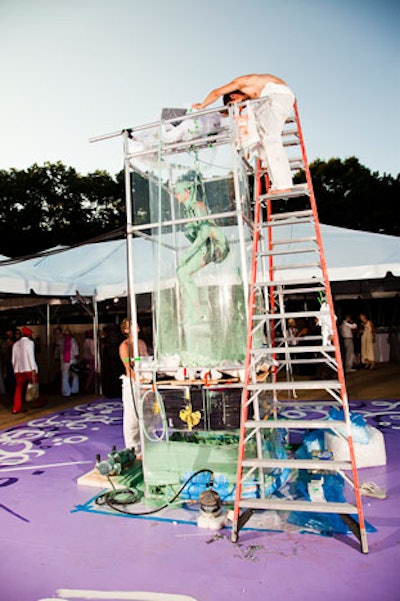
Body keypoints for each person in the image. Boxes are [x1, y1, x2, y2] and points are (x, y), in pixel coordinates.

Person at [193, 73, 295, 191]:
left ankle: (284, 185)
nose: (240, 109)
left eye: (235, 105)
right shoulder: (250, 96)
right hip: (271, 99)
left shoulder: (241, 83)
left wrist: (203, 105)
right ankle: (277, 180)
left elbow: (217, 92)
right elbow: (227, 113)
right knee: (259, 138)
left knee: (270, 138)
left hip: (278, 95)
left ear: (233, 95)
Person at [175, 179, 229, 323]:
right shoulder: (189, 212)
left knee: (183, 269)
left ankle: (198, 309)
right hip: (204, 247)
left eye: (177, 192)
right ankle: (198, 310)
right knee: (181, 272)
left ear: (187, 192)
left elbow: (205, 231)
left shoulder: (198, 207)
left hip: (215, 245)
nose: (175, 196)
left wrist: (188, 253)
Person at [119, 319, 149, 457]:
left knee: (147, 415)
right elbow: (128, 367)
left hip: (145, 382)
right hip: (132, 383)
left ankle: (146, 448)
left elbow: (147, 361)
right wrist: (139, 382)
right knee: (132, 417)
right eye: (132, 325)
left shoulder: (142, 343)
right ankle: (133, 449)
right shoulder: (124, 346)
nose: (137, 326)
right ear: (126, 330)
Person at [11, 326, 40, 414]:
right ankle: (37, 402)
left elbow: (13, 359)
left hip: (18, 369)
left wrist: (15, 368)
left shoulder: (15, 344)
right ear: (29, 335)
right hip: (28, 368)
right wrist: (34, 369)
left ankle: (16, 407)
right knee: (34, 385)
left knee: (18, 388)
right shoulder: (30, 343)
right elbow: (31, 357)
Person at [60, 328, 80, 396]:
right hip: (72, 360)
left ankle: (66, 392)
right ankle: (74, 390)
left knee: (65, 376)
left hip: (64, 361)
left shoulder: (62, 341)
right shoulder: (73, 341)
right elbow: (76, 352)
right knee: (75, 375)